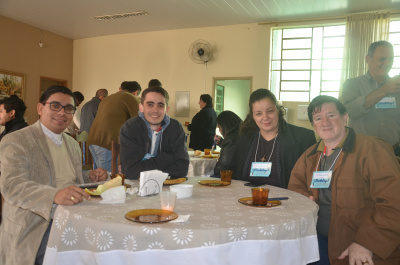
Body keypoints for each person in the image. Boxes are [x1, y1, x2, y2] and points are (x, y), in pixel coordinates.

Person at [0, 85, 107, 265]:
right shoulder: (17, 140)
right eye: (55, 106)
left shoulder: (72, 144)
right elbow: (12, 186)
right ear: (40, 108)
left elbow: (69, 176)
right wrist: (54, 195)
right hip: (35, 223)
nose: (62, 113)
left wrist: (91, 177)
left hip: (72, 215)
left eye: (68, 108)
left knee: (103, 247)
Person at [288, 95, 400, 265]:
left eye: (331, 115)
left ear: (345, 117)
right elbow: (295, 188)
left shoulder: (372, 149)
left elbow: (394, 203)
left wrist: (366, 242)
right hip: (316, 242)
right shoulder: (310, 155)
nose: (325, 122)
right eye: (318, 118)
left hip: (358, 246)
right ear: (313, 125)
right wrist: (305, 200)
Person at [231, 89, 316, 188]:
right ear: (252, 116)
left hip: (287, 200)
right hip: (247, 199)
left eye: (270, 111)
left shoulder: (303, 137)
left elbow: (311, 177)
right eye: (258, 113)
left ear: (278, 110)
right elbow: (233, 171)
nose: (265, 117)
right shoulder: (245, 138)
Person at [342, 41, 400, 156]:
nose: (387, 63)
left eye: (391, 59)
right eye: (382, 59)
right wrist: (384, 90)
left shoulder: (397, 85)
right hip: (362, 152)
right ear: (368, 59)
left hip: (393, 152)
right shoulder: (352, 84)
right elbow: (352, 112)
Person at [120, 86, 189, 179]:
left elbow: (182, 169)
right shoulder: (130, 127)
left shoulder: (176, 128)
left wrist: (143, 167)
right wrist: (166, 158)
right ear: (141, 107)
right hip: (136, 187)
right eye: (150, 104)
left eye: (160, 105)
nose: (155, 110)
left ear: (166, 110)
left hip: (168, 189)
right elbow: (131, 172)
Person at [88, 81, 141, 172]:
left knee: (98, 177)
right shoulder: (131, 98)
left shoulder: (108, 98)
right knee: (107, 180)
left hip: (93, 140)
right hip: (107, 142)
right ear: (136, 92)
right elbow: (139, 121)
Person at [213, 111, 242, 176]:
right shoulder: (242, 133)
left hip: (231, 176)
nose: (220, 131)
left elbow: (222, 167)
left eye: (219, 127)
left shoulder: (230, 140)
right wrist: (222, 142)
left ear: (224, 126)